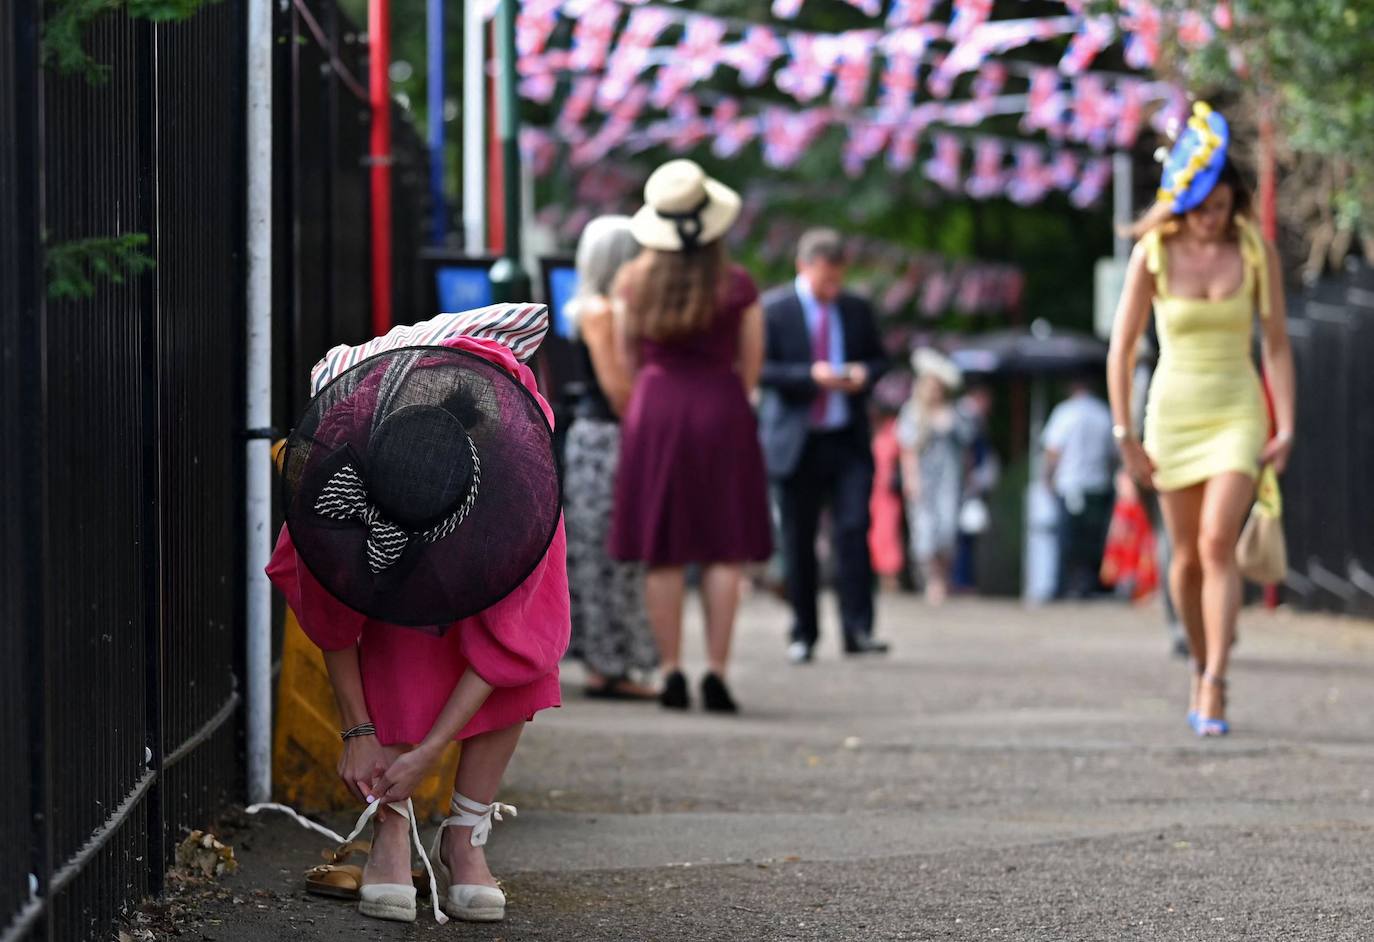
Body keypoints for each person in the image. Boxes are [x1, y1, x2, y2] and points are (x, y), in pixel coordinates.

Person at [264, 305, 570, 925]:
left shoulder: (522, 493)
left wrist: (429, 752)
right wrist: (358, 733)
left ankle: (465, 834)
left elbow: (514, 644)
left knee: (516, 654)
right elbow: (331, 613)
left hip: (488, 475)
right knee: (399, 632)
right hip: (381, 445)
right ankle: (392, 830)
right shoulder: (337, 478)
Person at [1107, 102, 1295, 737]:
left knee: (1218, 543)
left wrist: (1285, 423)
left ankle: (1216, 679)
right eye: (1202, 207)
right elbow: (1123, 347)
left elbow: (1274, 343)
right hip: (1174, 410)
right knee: (1183, 559)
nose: (1213, 219)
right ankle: (1199, 660)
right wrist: (1124, 434)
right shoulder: (1153, 254)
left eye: (1223, 205)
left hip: (1237, 408)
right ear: (1182, 201)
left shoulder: (1254, 250)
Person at [609, 160, 772, 713]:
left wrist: (656, 395)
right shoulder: (738, 284)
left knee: (664, 550)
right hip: (721, 409)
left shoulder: (632, 282)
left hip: (657, 411)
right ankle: (718, 673)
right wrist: (725, 396)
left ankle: (672, 669)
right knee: (724, 549)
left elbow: (627, 357)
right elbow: (752, 364)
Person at [759, 228, 889, 663]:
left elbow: (880, 359)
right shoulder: (773, 310)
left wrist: (863, 376)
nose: (831, 290)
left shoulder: (855, 309)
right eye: (823, 282)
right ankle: (805, 632)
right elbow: (760, 369)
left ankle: (858, 629)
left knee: (854, 530)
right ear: (804, 267)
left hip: (845, 439)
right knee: (799, 540)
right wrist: (809, 376)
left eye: (837, 281)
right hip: (797, 442)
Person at [562, 216, 658, 700]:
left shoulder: (603, 311)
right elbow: (618, 389)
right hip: (607, 441)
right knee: (608, 554)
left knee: (611, 554)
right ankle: (608, 664)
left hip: (603, 440)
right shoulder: (599, 313)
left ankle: (612, 661)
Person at [897, 349, 969, 606]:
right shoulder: (912, 413)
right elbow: (908, 451)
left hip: (949, 481)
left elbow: (966, 451)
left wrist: (968, 480)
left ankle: (944, 577)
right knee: (925, 532)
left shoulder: (955, 414)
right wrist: (911, 479)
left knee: (947, 531)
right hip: (924, 481)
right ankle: (933, 580)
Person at [1042, 375, 1117, 599]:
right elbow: (1113, 455)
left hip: (1070, 486)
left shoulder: (1064, 412)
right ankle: (1092, 586)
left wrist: (1047, 478)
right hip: (1098, 486)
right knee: (1094, 542)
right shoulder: (1104, 413)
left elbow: (1053, 451)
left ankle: (1064, 587)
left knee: (1067, 542)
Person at [953, 382, 999, 592]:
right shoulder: (967, 417)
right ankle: (961, 581)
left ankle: (963, 580)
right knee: (962, 537)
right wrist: (970, 478)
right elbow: (967, 452)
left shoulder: (971, 416)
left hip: (969, 483)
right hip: (965, 485)